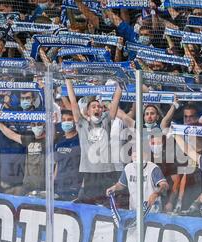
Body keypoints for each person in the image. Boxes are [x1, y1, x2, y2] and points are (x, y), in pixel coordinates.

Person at [65, 78, 122, 206]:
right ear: (88, 111)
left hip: (107, 172)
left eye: (100, 107)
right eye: (94, 107)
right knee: (89, 205)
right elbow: (73, 103)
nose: (97, 109)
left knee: (108, 205)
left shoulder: (106, 122)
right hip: (89, 173)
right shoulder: (82, 124)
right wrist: (68, 81)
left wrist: (120, 85)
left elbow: (115, 102)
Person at [106, 148, 169, 213]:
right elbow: (121, 184)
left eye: (140, 156)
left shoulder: (153, 168)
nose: (137, 159)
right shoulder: (128, 168)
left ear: (146, 156)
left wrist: (155, 194)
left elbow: (164, 185)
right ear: (131, 157)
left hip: (152, 211)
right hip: (134, 210)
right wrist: (114, 188)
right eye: (135, 157)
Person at [54, 110, 82, 201]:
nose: (66, 122)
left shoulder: (80, 140)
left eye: (69, 119)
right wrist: (53, 181)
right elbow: (57, 164)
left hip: (74, 186)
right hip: (59, 185)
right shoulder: (59, 140)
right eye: (63, 120)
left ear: (74, 121)